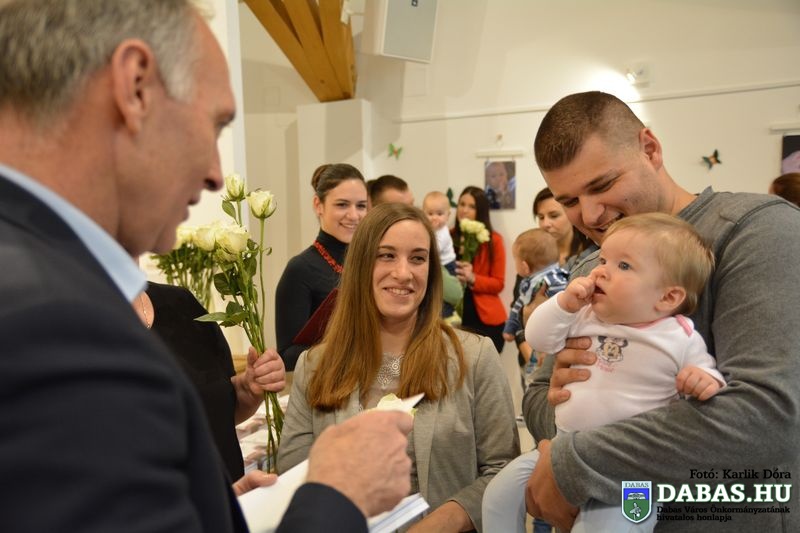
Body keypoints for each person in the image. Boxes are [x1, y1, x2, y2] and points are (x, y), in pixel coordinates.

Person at [0, 1, 414, 530]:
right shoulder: (52, 321)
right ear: (135, 86)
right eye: (214, 124)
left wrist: (212, 508)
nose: (217, 174)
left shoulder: (43, 274)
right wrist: (338, 493)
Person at [522, 91, 800, 532]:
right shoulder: (592, 268)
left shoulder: (758, 232)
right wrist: (565, 394)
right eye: (569, 201)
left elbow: (768, 418)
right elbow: (537, 397)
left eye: (602, 185)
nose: (590, 214)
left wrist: (574, 459)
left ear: (650, 149)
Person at [278, 203, 520, 532]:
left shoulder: (473, 356)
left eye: (418, 258)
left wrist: (441, 523)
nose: (403, 273)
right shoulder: (315, 365)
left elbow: (503, 469)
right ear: (361, 264)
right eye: (387, 255)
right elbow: (294, 472)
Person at [484, 213, 724, 533]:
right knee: (498, 496)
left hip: (633, 470)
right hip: (564, 449)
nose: (600, 271)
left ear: (668, 297)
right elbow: (539, 338)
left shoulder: (679, 337)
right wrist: (563, 304)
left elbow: (710, 378)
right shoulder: (585, 315)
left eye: (623, 266)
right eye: (603, 260)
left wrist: (702, 380)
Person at [136, 282, 285, 480]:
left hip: (228, 489)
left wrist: (246, 391)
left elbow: (217, 409)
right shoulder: (95, 327)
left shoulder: (181, 302)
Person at [274, 163, 367, 371]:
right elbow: (287, 357)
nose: (354, 215)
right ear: (318, 205)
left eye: (361, 206)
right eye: (342, 205)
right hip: (328, 384)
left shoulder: (373, 262)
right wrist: (345, 347)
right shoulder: (300, 270)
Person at [451, 186, 507, 353]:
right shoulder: (447, 236)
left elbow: (498, 283)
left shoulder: (493, 240)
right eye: (462, 204)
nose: (464, 210)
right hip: (453, 317)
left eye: (472, 206)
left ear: (481, 211)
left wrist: (472, 278)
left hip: (486, 321)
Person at [502, 229, 568, 344]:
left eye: (515, 260)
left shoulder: (554, 281)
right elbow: (519, 304)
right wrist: (510, 327)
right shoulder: (530, 282)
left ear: (525, 267)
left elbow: (564, 307)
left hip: (557, 337)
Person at [422, 190, 460, 321]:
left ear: (448, 215)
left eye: (439, 214)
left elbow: (433, 251)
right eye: (430, 213)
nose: (434, 218)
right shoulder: (430, 230)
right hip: (439, 264)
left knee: (444, 292)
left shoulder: (443, 233)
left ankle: (448, 315)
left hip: (447, 265)